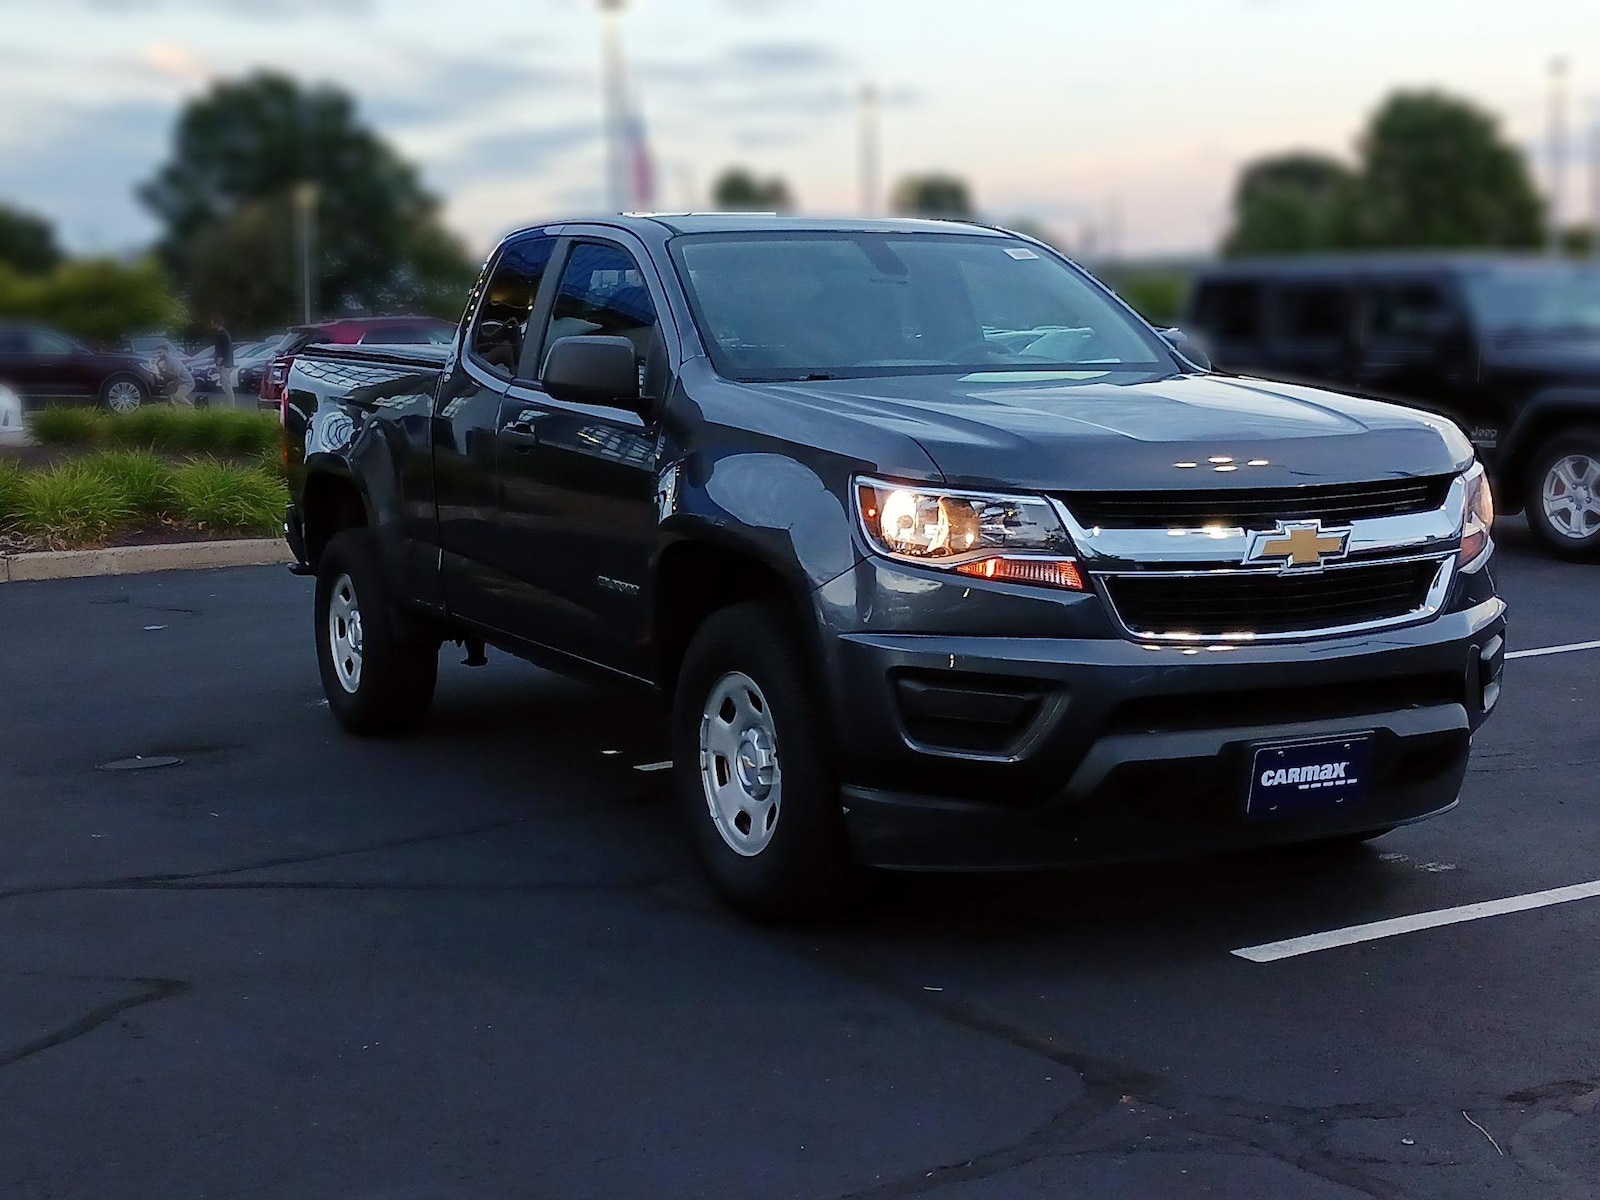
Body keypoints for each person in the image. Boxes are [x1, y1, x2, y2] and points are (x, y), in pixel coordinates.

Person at [211, 315, 235, 406]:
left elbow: (221, 351)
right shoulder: (224, 334)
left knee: (226, 385)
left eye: (212, 323)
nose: (211, 325)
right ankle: (228, 403)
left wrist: (218, 364)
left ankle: (231, 404)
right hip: (227, 363)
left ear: (217, 323)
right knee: (225, 384)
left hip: (225, 364)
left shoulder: (221, 335)